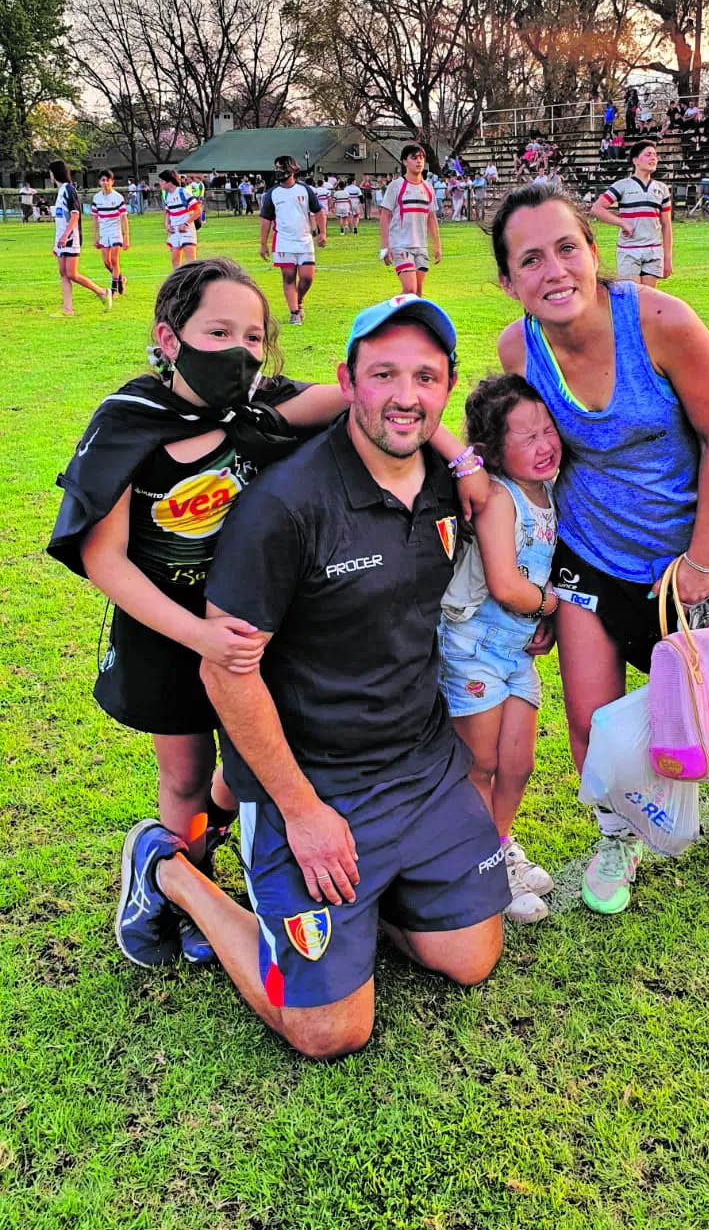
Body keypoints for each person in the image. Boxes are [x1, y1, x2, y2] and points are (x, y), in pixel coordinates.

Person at [111, 296, 509, 1059]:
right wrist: (301, 810)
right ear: (347, 382)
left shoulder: (446, 482)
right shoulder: (286, 505)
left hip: (419, 769)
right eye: (383, 373)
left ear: (447, 386)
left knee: (468, 959)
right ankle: (171, 873)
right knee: (330, 1031)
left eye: (425, 377)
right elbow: (227, 674)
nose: (405, 395)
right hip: (314, 783)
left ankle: (369, 899)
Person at [47, 258, 354, 960]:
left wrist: (454, 454)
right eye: (219, 332)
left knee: (251, 756)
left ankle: (213, 845)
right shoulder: (129, 420)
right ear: (169, 337)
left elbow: (346, 397)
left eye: (254, 336)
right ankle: (185, 885)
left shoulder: (258, 408)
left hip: (251, 628)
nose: (240, 351)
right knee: (184, 773)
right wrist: (198, 636)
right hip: (165, 626)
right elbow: (105, 560)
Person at [492, 185, 709, 914]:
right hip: (588, 556)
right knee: (591, 721)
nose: (553, 270)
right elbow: (526, 459)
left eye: (566, 248)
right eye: (530, 259)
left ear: (594, 252)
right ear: (508, 280)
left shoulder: (661, 322)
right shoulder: (515, 348)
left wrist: (702, 559)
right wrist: (533, 574)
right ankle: (616, 836)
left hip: (685, 557)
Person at [439, 375, 560, 923]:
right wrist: (553, 607)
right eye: (527, 437)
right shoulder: (496, 498)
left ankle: (500, 843)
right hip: (473, 648)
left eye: (548, 429)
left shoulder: (550, 491)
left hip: (514, 654)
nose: (545, 444)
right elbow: (509, 586)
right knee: (480, 763)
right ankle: (480, 865)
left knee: (517, 763)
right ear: (490, 451)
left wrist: (543, 617)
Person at [590, 139, 673, 286]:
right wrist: (622, 223)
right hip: (629, 251)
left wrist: (667, 258)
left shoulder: (662, 189)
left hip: (653, 251)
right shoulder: (622, 186)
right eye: (648, 154)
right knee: (632, 296)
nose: (653, 158)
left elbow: (666, 225)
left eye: (655, 155)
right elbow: (597, 209)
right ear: (635, 160)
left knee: (648, 299)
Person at [259, 156, 326, 326]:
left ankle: (300, 300)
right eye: (276, 168)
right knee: (288, 278)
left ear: (292, 169)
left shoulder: (305, 190)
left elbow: (318, 211)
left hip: (304, 241)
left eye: (282, 167)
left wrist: (322, 233)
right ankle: (294, 312)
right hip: (283, 242)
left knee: (307, 277)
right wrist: (263, 244)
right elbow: (265, 219)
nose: (278, 171)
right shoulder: (272, 194)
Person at [48, 159, 110, 315]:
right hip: (61, 239)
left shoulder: (69, 190)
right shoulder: (61, 192)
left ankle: (102, 292)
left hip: (70, 238)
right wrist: (57, 240)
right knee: (63, 273)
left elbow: (75, 215)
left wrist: (65, 235)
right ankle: (67, 310)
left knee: (71, 273)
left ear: (54, 173)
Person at [379, 143, 442, 297]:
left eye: (421, 158)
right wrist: (385, 246)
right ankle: (388, 315)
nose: (419, 161)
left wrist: (437, 245)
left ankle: (409, 321)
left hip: (421, 246)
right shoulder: (396, 186)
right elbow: (385, 216)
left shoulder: (428, 188)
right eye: (414, 158)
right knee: (410, 290)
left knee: (417, 294)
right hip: (401, 246)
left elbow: (431, 218)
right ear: (404, 162)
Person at [91, 169, 130, 296]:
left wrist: (126, 237)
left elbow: (124, 218)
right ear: (99, 182)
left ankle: (113, 290)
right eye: (103, 180)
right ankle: (120, 279)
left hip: (115, 232)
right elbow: (95, 218)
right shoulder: (96, 198)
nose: (105, 183)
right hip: (104, 232)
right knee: (106, 262)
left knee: (114, 260)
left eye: (108, 180)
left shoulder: (118, 197)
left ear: (112, 182)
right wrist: (95, 236)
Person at [159, 169, 202, 269]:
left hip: (187, 231)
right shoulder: (167, 196)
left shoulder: (183, 192)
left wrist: (186, 224)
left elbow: (198, 210)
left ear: (169, 182)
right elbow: (168, 212)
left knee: (191, 263)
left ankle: (194, 283)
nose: (160, 184)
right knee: (175, 261)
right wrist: (167, 224)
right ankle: (178, 283)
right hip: (174, 231)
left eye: (162, 181)